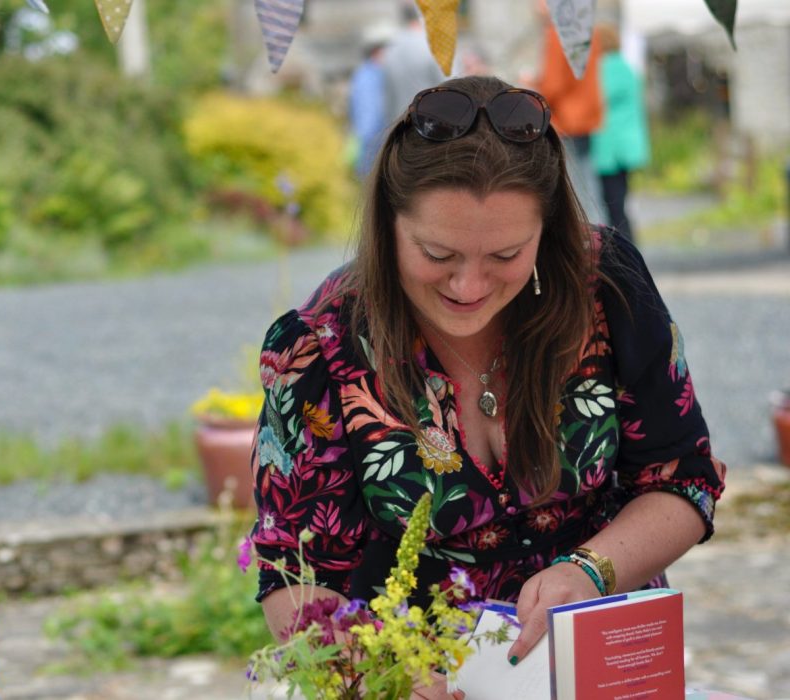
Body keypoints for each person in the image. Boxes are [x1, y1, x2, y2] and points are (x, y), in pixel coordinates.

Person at [249, 76, 725, 698]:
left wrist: (591, 569)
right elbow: (293, 571)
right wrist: (376, 678)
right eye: (437, 253)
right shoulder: (320, 345)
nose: (469, 286)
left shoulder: (604, 287)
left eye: (505, 255)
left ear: (547, 229)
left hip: (600, 669)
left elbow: (683, 478)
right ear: (387, 225)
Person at [536, 12, 607, 225]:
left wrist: (534, 87)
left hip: (566, 117)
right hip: (586, 114)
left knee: (574, 189)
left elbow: (554, 84)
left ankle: (587, 239)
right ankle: (600, 236)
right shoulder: (587, 30)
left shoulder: (558, 32)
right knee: (588, 184)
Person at [591, 23, 650, 245]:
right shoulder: (626, 67)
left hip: (611, 148)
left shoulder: (605, 68)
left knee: (613, 205)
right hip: (625, 146)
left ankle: (623, 250)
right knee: (620, 202)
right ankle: (628, 246)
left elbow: (596, 99)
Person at [349, 27, 390, 179]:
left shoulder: (364, 73)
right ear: (376, 52)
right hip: (371, 140)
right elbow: (368, 116)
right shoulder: (369, 75)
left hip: (372, 139)